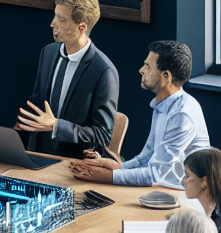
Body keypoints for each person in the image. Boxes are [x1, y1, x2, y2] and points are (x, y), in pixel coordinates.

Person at [71, 41, 210, 189]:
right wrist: (118, 167)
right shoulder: (163, 105)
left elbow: (156, 175)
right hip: (168, 189)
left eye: (148, 66)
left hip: (188, 195)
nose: (141, 70)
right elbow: (146, 158)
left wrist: (105, 176)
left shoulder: (181, 115)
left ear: (166, 75)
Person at [15, 0, 119, 158]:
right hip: (37, 155)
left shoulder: (103, 71)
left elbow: (102, 136)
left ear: (82, 27)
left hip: (72, 163)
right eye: (55, 16)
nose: (52, 23)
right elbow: (36, 105)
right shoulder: (48, 53)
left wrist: (57, 126)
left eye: (62, 20)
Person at [110, 147, 221, 233]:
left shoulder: (216, 227)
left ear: (204, 181)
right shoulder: (210, 214)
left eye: (188, 175)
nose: (182, 181)